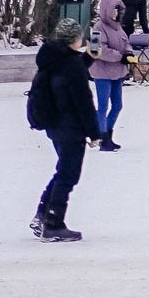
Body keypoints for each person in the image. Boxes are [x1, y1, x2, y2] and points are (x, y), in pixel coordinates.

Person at [25, 21, 99, 241]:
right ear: (74, 40)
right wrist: (95, 133)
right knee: (68, 175)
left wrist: (89, 58)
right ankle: (54, 223)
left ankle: (43, 215)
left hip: (54, 124)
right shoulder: (71, 65)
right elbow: (83, 102)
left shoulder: (51, 57)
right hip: (71, 128)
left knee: (62, 171)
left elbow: (68, 72)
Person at [88, 0, 130, 152]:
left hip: (117, 72)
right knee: (103, 105)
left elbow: (126, 44)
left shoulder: (119, 28)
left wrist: (129, 54)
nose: (117, 14)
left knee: (118, 105)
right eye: (115, 10)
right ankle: (102, 138)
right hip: (102, 72)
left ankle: (108, 134)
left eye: (119, 10)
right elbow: (96, 50)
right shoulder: (98, 29)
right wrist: (120, 57)